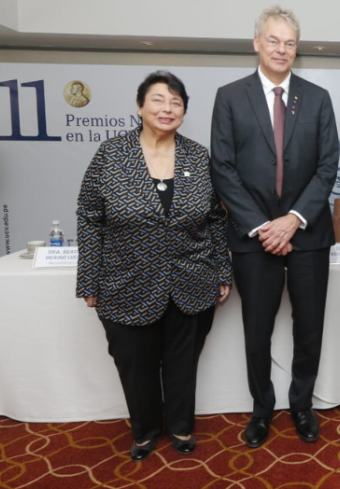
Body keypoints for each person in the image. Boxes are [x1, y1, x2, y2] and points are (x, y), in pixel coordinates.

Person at [76, 71, 232, 462]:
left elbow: (215, 218)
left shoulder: (198, 156)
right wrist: (88, 279)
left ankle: (180, 426)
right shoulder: (111, 155)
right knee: (136, 364)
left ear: (184, 111)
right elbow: (89, 217)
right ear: (140, 106)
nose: (168, 108)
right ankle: (144, 431)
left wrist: (222, 273)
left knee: (183, 363)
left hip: (192, 280)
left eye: (176, 102)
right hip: (125, 283)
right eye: (159, 100)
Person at [210, 5, 339, 448]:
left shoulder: (318, 97)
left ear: (296, 49)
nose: (281, 49)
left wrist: (292, 220)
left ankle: (301, 406)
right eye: (273, 40)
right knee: (256, 329)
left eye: (289, 43)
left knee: (309, 328)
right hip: (253, 238)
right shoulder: (230, 96)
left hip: (308, 235)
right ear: (256, 43)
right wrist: (264, 226)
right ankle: (262, 409)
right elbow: (222, 168)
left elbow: (328, 167)